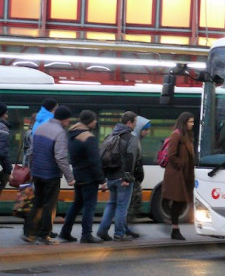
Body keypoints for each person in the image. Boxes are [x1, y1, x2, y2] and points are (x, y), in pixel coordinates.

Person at [22, 105, 75, 245]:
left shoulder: (40, 128)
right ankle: (44, 235)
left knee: (37, 202)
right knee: (48, 205)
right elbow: (61, 158)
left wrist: (32, 171)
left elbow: (31, 152)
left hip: (37, 173)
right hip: (51, 174)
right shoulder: (60, 133)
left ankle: (29, 233)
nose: (69, 122)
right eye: (68, 119)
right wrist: (70, 178)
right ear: (64, 119)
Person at [58, 110, 107, 244]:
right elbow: (94, 161)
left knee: (77, 204)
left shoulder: (72, 134)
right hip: (89, 177)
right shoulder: (88, 137)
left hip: (78, 174)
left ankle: (65, 232)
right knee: (89, 206)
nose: (96, 122)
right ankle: (86, 234)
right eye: (94, 119)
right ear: (89, 121)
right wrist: (102, 180)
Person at [96, 111, 139, 241]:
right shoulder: (131, 138)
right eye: (135, 122)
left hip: (111, 176)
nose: (136, 125)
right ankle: (119, 233)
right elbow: (131, 158)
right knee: (122, 206)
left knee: (111, 204)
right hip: (123, 178)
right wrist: (127, 177)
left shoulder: (111, 135)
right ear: (129, 122)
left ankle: (102, 230)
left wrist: (104, 177)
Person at [162, 112, 195, 241]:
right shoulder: (176, 135)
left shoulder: (187, 135)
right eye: (190, 122)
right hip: (177, 174)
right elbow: (171, 155)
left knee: (181, 202)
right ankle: (175, 229)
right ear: (184, 122)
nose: (192, 124)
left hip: (185, 173)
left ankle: (174, 228)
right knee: (177, 201)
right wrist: (181, 164)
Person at [126, 115, 151, 230]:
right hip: (132, 179)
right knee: (132, 204)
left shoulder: (136, 139)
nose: (147, 132)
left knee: (133, 204)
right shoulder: (133, 140)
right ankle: (126, 229)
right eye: (145, 129)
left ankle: (127, 228)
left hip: (134, 179)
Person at [0, 103, 13, 196]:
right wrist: (8, 172)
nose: (7, 116)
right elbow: (3, 153)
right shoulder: (3, 129)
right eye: (6, 113)